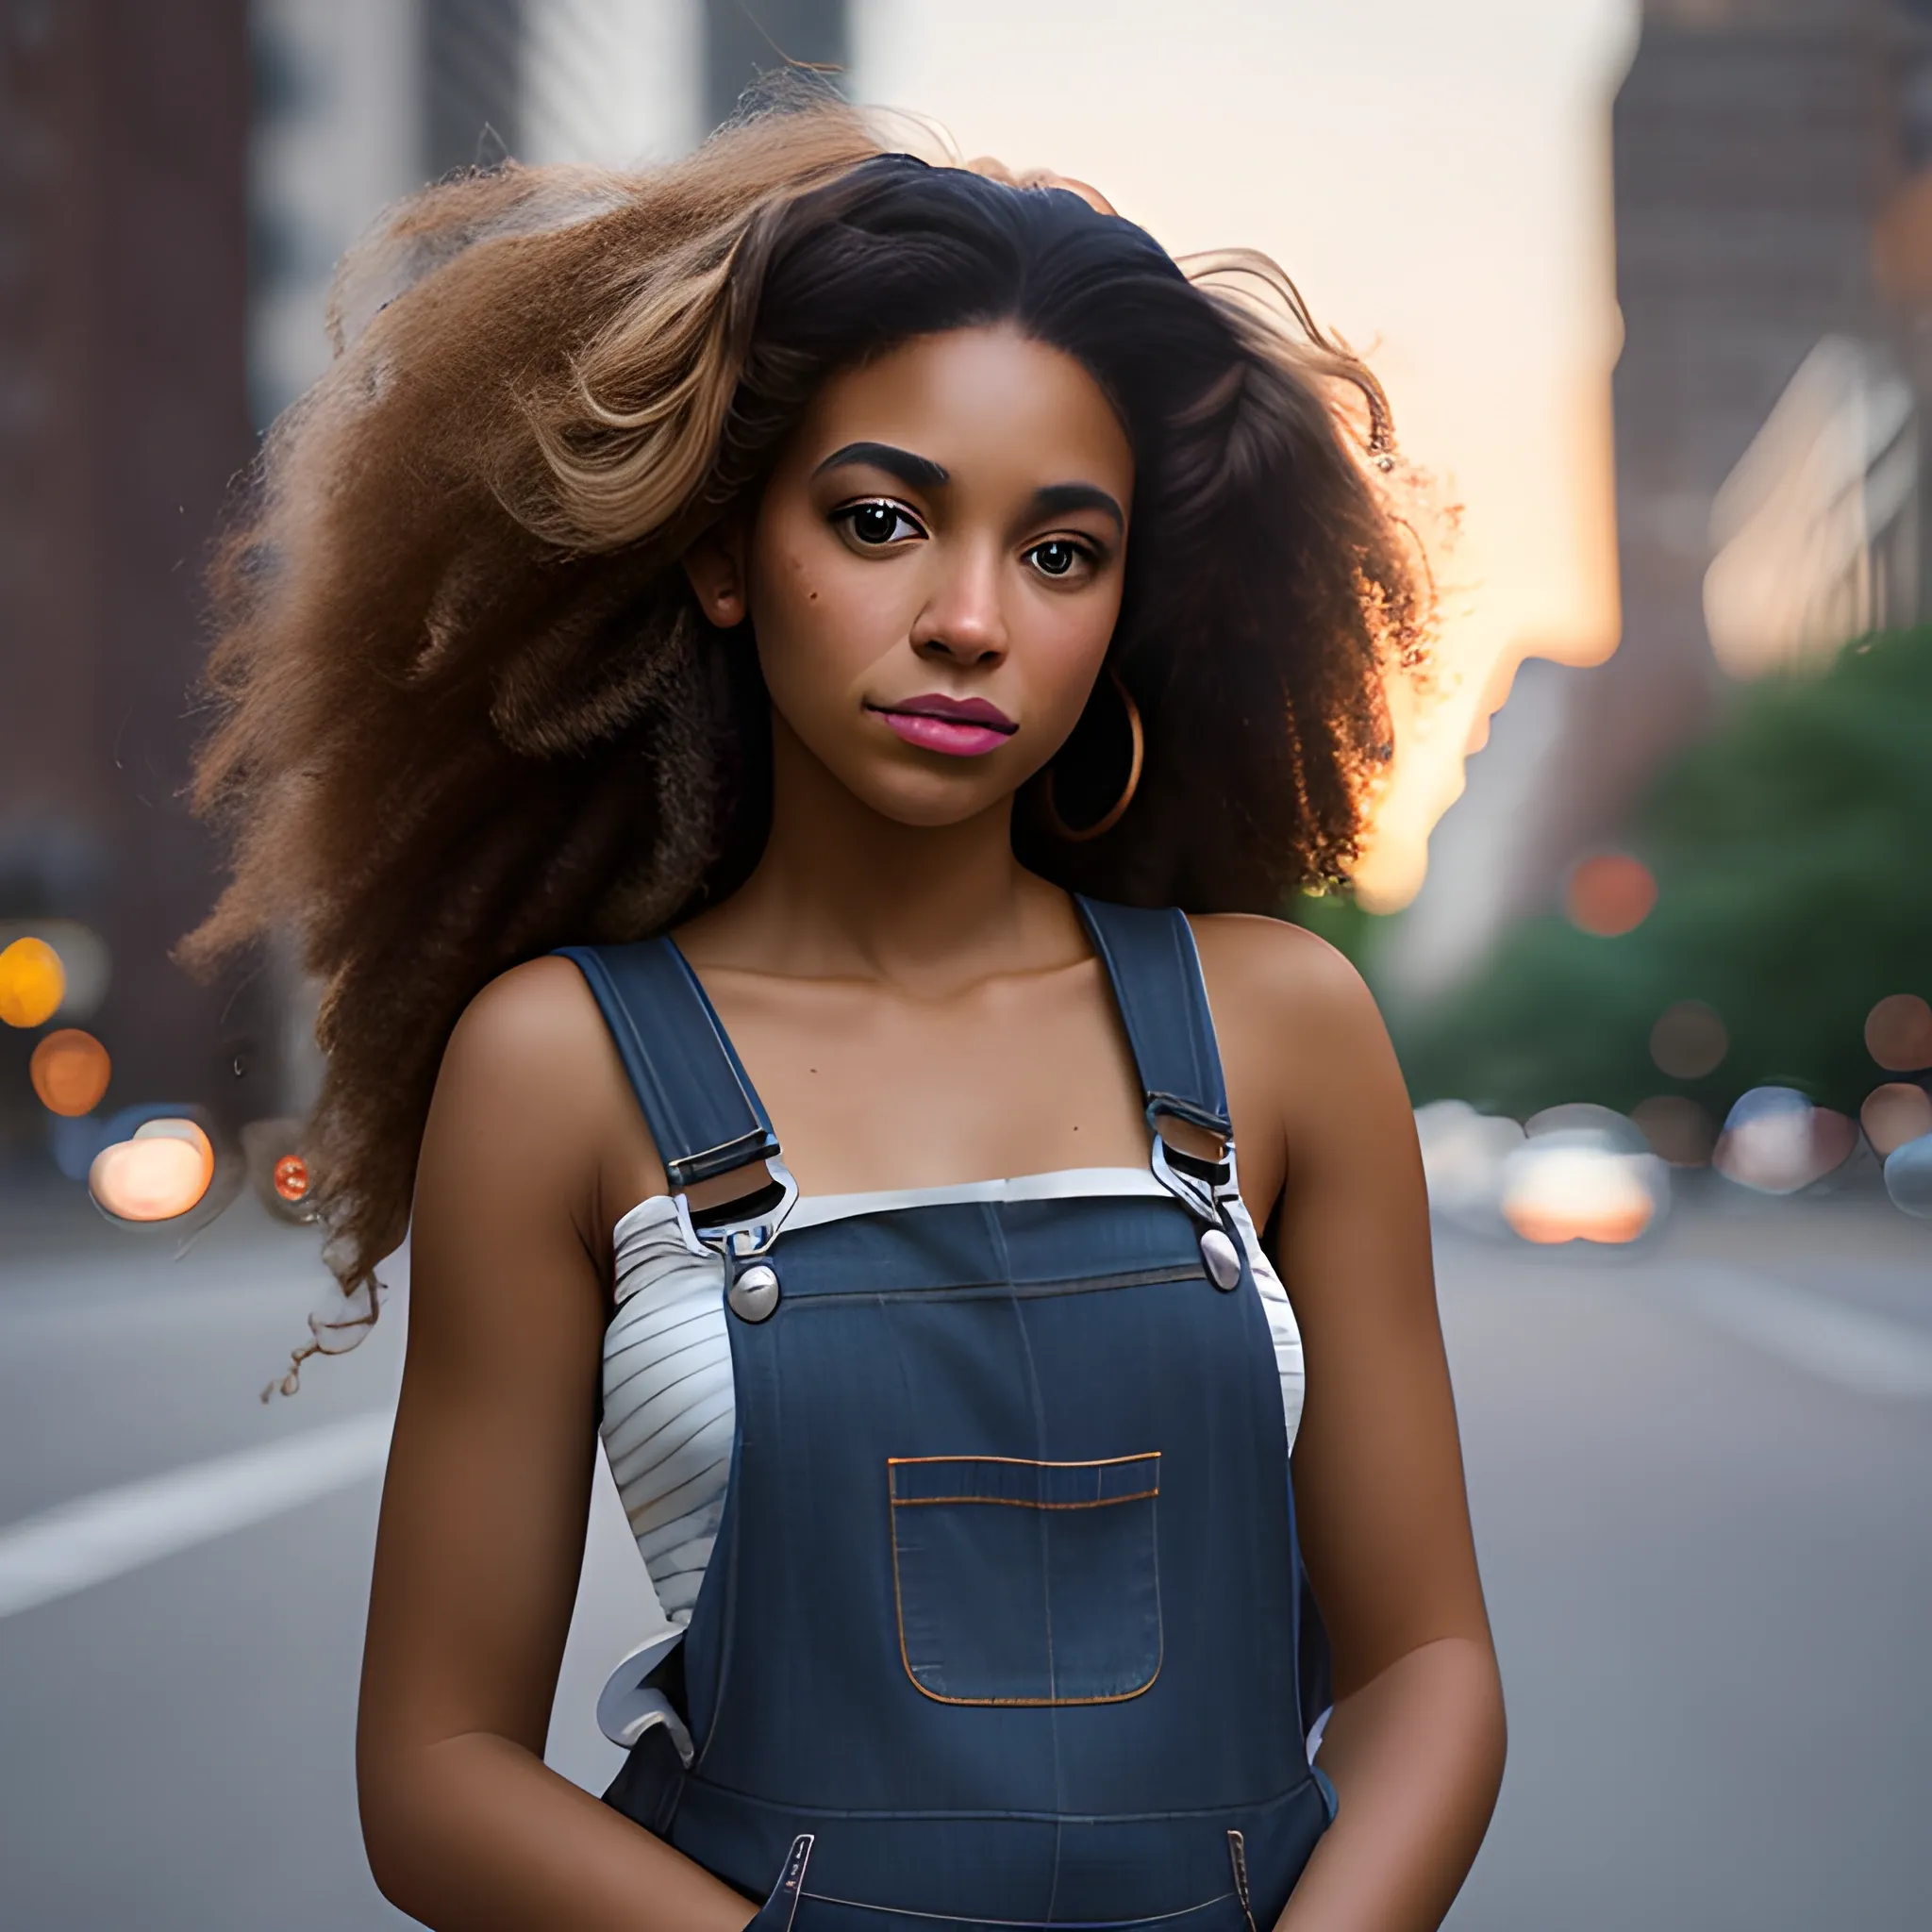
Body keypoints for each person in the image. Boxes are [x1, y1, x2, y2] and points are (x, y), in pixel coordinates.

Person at [187, 97, 1504, 1932]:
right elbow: (433, 1777)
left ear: (1124, 606)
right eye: (881, 520)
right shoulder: (556, 1069)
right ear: (726, 554)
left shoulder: (1283, 1028)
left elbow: (1428, 1657)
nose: (969, 619)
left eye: (1059, 552)